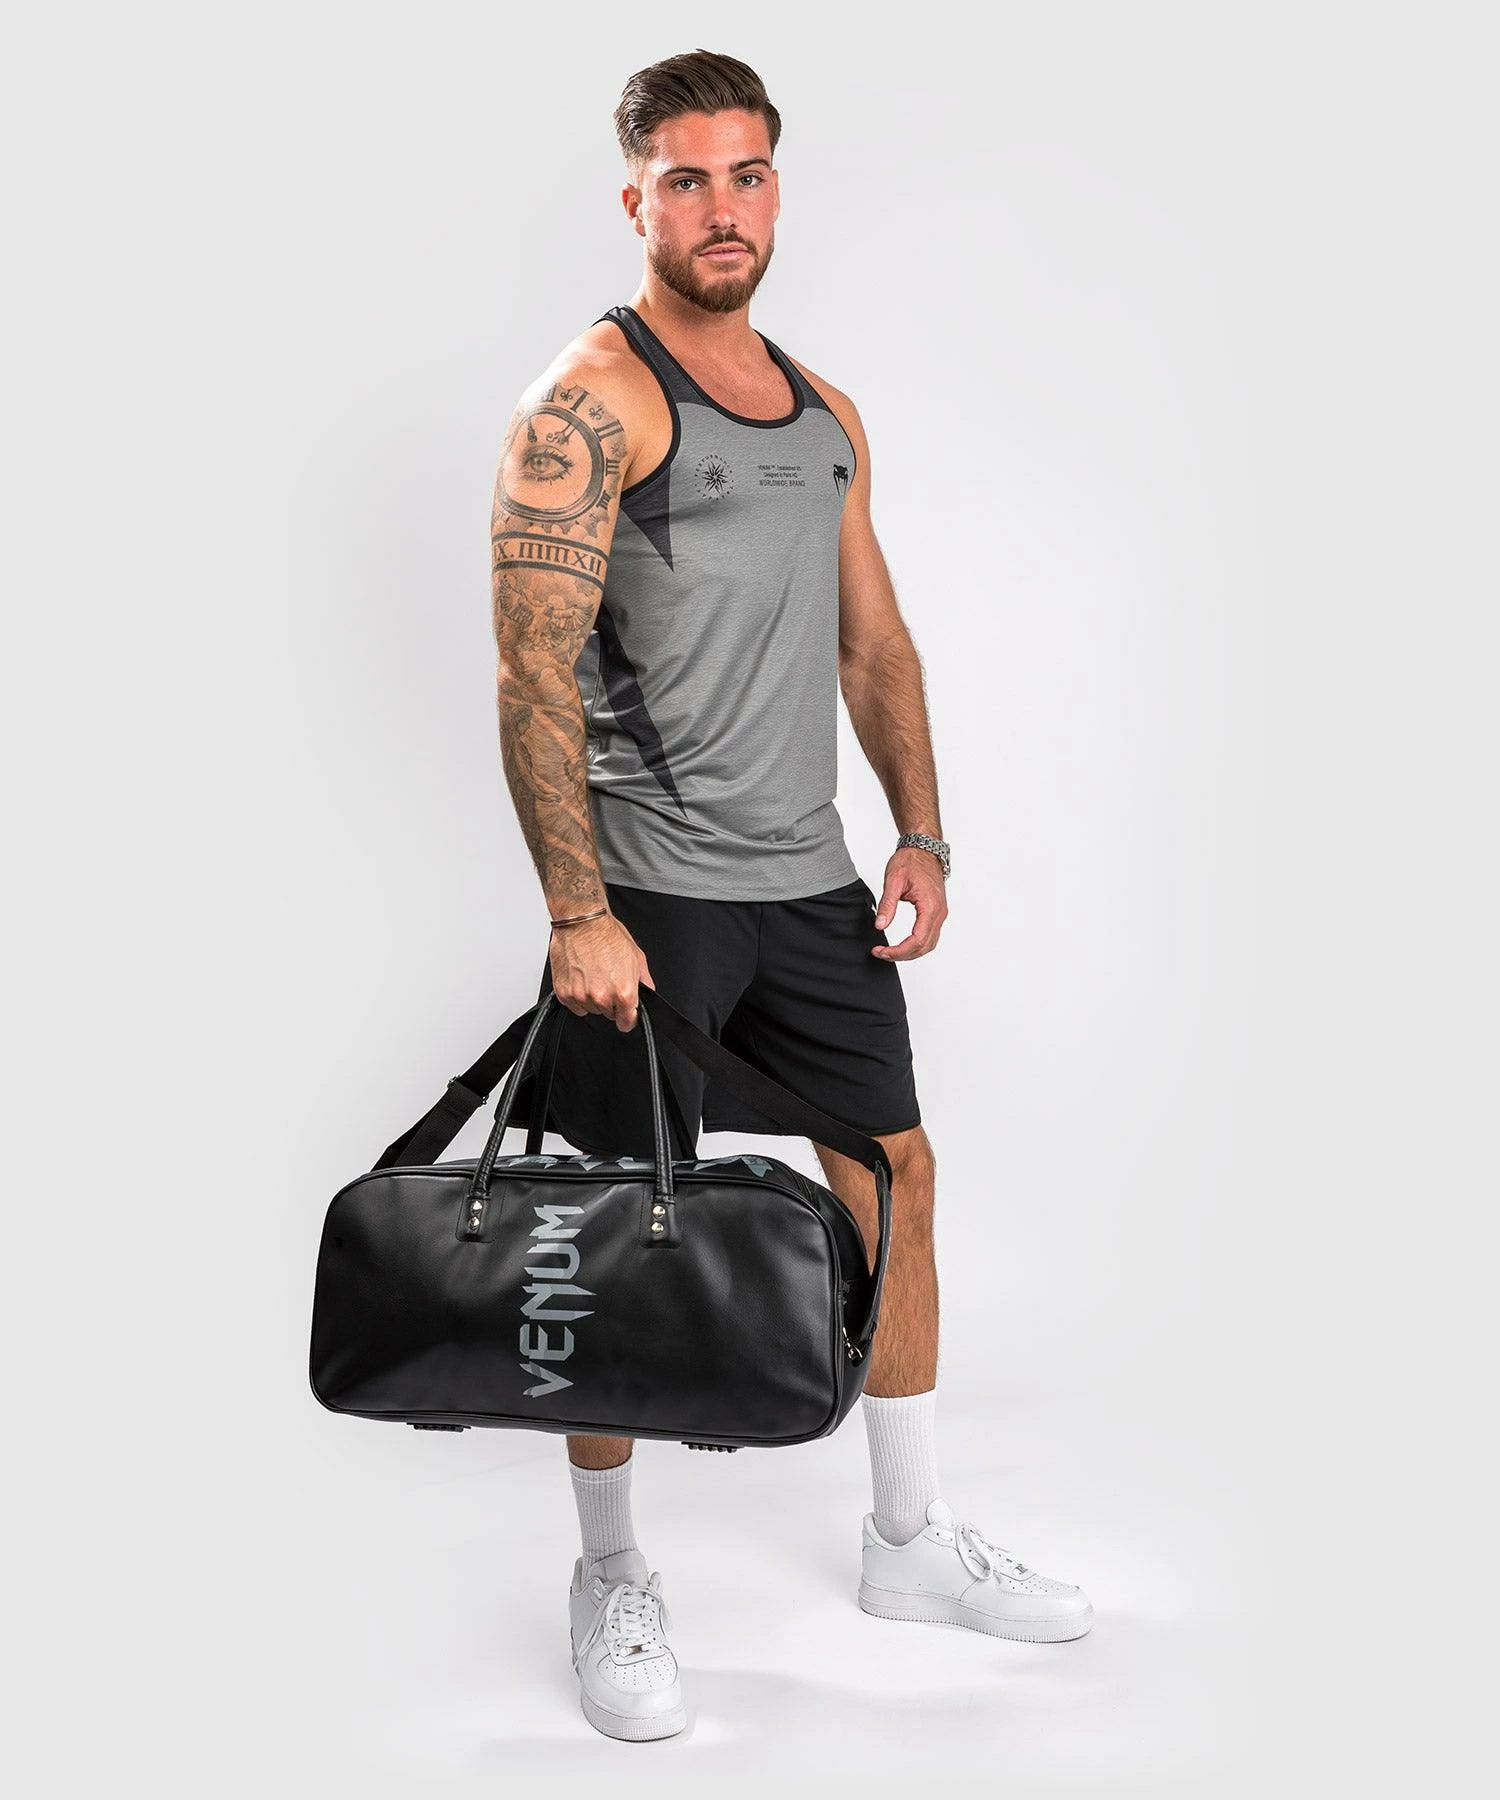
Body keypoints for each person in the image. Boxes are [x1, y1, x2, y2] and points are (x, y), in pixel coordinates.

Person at [490, 48, 1092, 1743]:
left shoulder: (823, 412)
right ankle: (612, 1573)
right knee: (613, 1221)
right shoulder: (589, 404)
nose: (721, 208)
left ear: (775, 189)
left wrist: (924, 833)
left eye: (746, 175)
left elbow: (872, 641)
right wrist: (577, 912)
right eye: (686, 180)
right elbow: (531, 674)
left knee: (894, 1173)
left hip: (809, 880)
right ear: (636, 201)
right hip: (653, 894)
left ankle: (905, 1541)